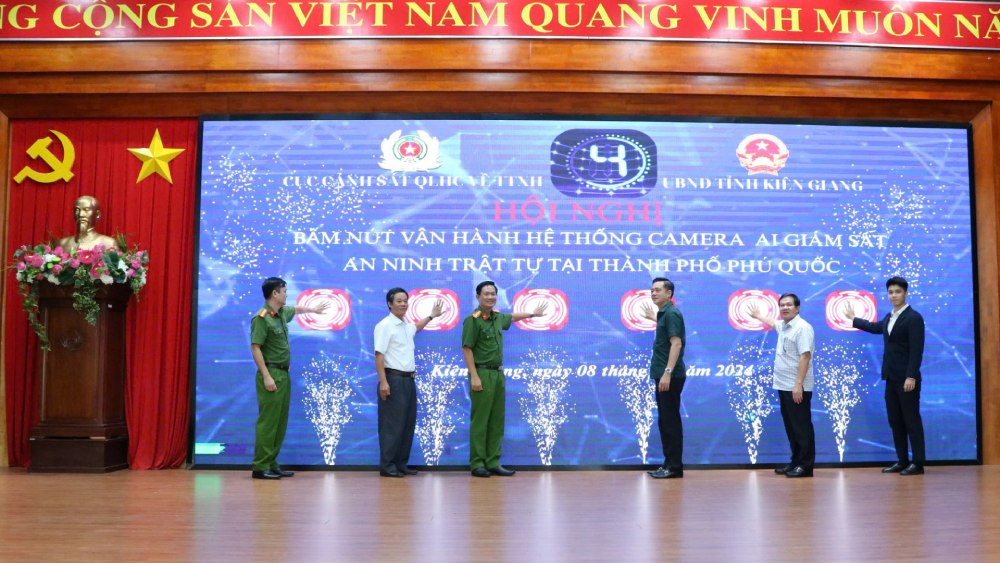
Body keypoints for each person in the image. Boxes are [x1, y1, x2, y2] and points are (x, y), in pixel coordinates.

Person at [461, 281, 547, 478]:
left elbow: (512, 317)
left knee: (496, 420)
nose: (490, 297)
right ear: (477, 297)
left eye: (493, 294)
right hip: (481, 373)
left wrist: (532, 314)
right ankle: (477, 463)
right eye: (486, 294)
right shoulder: (472, 320)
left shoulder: (497, 317)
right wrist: (474, 376)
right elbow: (466, 348)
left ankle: (493, 461)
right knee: (481, 420)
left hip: (499, 374)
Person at [844, 276, 926, 476]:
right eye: (890, 292)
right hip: (891, 377)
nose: (894, 295)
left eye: (898, 291)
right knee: (895, 420)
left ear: (906, 293)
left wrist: (911, 376)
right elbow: (876, 328)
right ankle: (902, 460)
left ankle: (918, 463)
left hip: (907, 379)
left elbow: (917, 350)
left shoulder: (914, 318)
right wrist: (854, 319)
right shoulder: (890, 317)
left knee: (911, 420)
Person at [249, 277, 329, 480]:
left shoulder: (282, 313)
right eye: (284, 291)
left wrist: (314, 309)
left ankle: (272, 462)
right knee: (268, 422)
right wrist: (266, 375)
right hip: (272, 373)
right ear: (274, 294)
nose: (286, 294)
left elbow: (297, 309)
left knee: (280, 421)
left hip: (284, 374)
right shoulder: (262, 317)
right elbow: (255, 347)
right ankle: (260, 466)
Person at [374, 288, 444, 478]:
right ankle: (388, 466)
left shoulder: (405, 324)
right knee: (392, 426)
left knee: (406, 424)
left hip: (408, 380)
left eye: (405, 300)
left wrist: (431, 316)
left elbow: (416, 328)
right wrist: (383, 382)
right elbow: (379, 355)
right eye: (399, 301)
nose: (403, 304)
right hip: (393, 380)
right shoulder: (385, 325)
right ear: (389, 303)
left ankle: (400, 464)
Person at [748, 294, 816, 478]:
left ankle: (805, 466)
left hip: (796, 386)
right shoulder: (785, 325)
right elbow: (773, 323)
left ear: (798, 308)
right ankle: (795, 461)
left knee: (801, 427)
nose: (785, 308)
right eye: (782, 305)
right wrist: (757, 315)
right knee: (791, 426)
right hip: (783, 384)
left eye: (789, 305)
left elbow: (805, 356)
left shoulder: (802, 328)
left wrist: (798, 385)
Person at [642, 277, 687, 479]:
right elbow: (665, 329)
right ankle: (669, 463)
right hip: (663, 374)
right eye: (652, 290)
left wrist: (667, 373)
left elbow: (676, 344)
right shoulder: (664, 314)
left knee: (670, 421)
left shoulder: (672, 313)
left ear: (669, 293)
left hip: (669, 375)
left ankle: (674, 467)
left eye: (658, 290)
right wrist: (655, 318)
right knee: (665, 421)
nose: (653, 293)